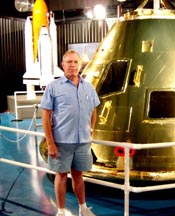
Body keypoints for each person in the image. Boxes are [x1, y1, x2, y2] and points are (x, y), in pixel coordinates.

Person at [40, 49, 100, 216]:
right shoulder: (53, 87)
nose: (72, 65)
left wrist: (91, 128)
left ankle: (83, 208)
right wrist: (50, 143)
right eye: (69, 62)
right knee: (61, 176)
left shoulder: (88, 87)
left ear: (80, 65)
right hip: (62, 142)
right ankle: (60, 211)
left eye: (75, 62)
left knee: (78, 176)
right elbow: (45, 115)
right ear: (63, 65)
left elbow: (94, 110)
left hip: (82, 142)